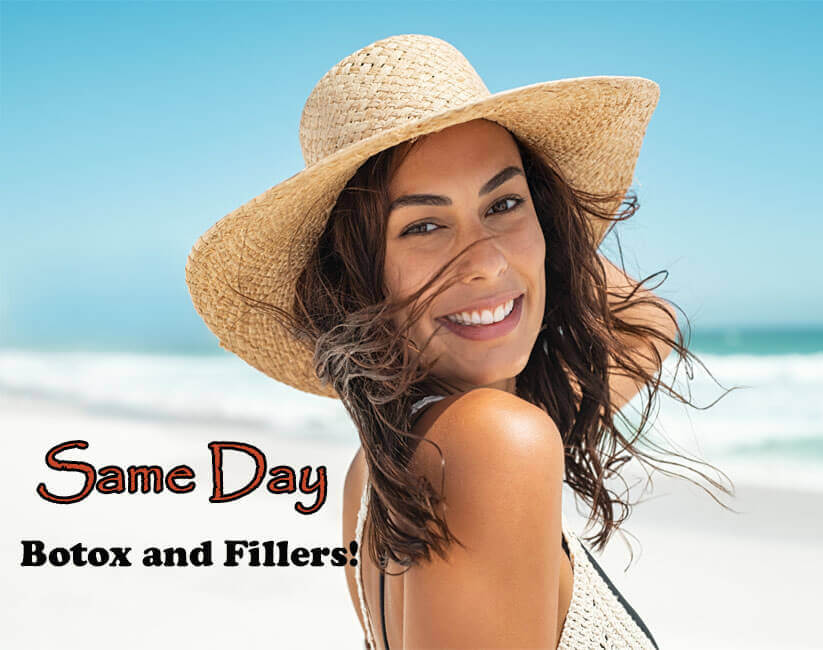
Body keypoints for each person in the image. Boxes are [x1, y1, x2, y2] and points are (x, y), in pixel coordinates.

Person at [185, 33, 734, 649]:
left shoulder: (375, 471)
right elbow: (644, 317)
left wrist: (546, 247)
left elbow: (648, 325)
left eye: (503, 204)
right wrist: (523, 250)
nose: (486, 263)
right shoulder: (494, 444)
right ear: (358, 279)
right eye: (423, 224)